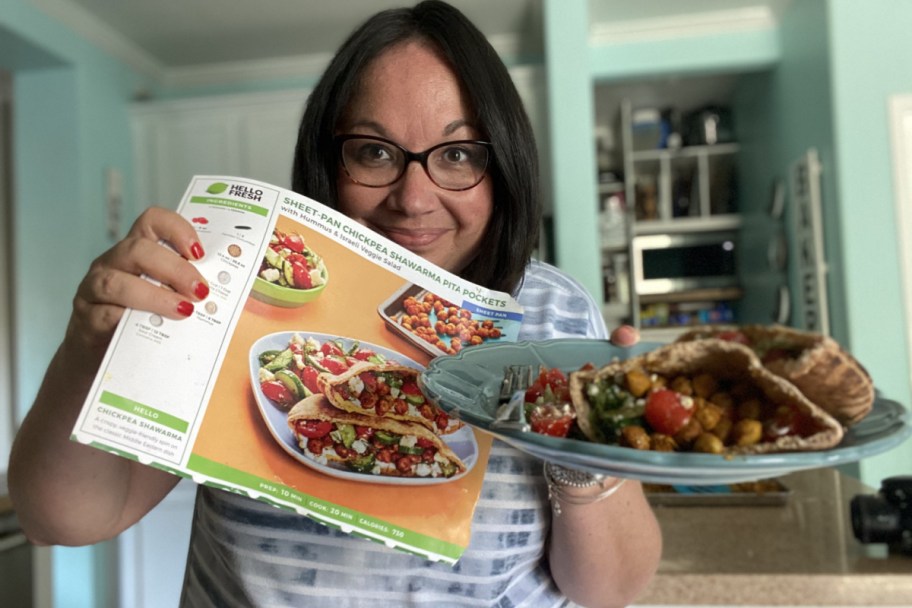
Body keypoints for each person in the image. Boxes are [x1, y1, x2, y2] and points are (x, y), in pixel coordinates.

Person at [9, 2, 662, 606]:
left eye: (459, 154)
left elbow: (612, 590)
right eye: (375, 152)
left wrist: (583, 453)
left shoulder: (551, 315)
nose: (413, 197)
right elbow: (61, 518)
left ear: (505, 167)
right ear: (329, 160)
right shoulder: (244, 290)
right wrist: (88, 347)